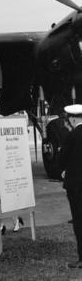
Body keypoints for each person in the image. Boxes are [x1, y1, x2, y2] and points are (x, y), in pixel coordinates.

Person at [59, 104, 82, 269]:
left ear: (73, 119)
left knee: (79, 221)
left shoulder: (72, 135)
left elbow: (61, 160)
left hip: (76, 185)